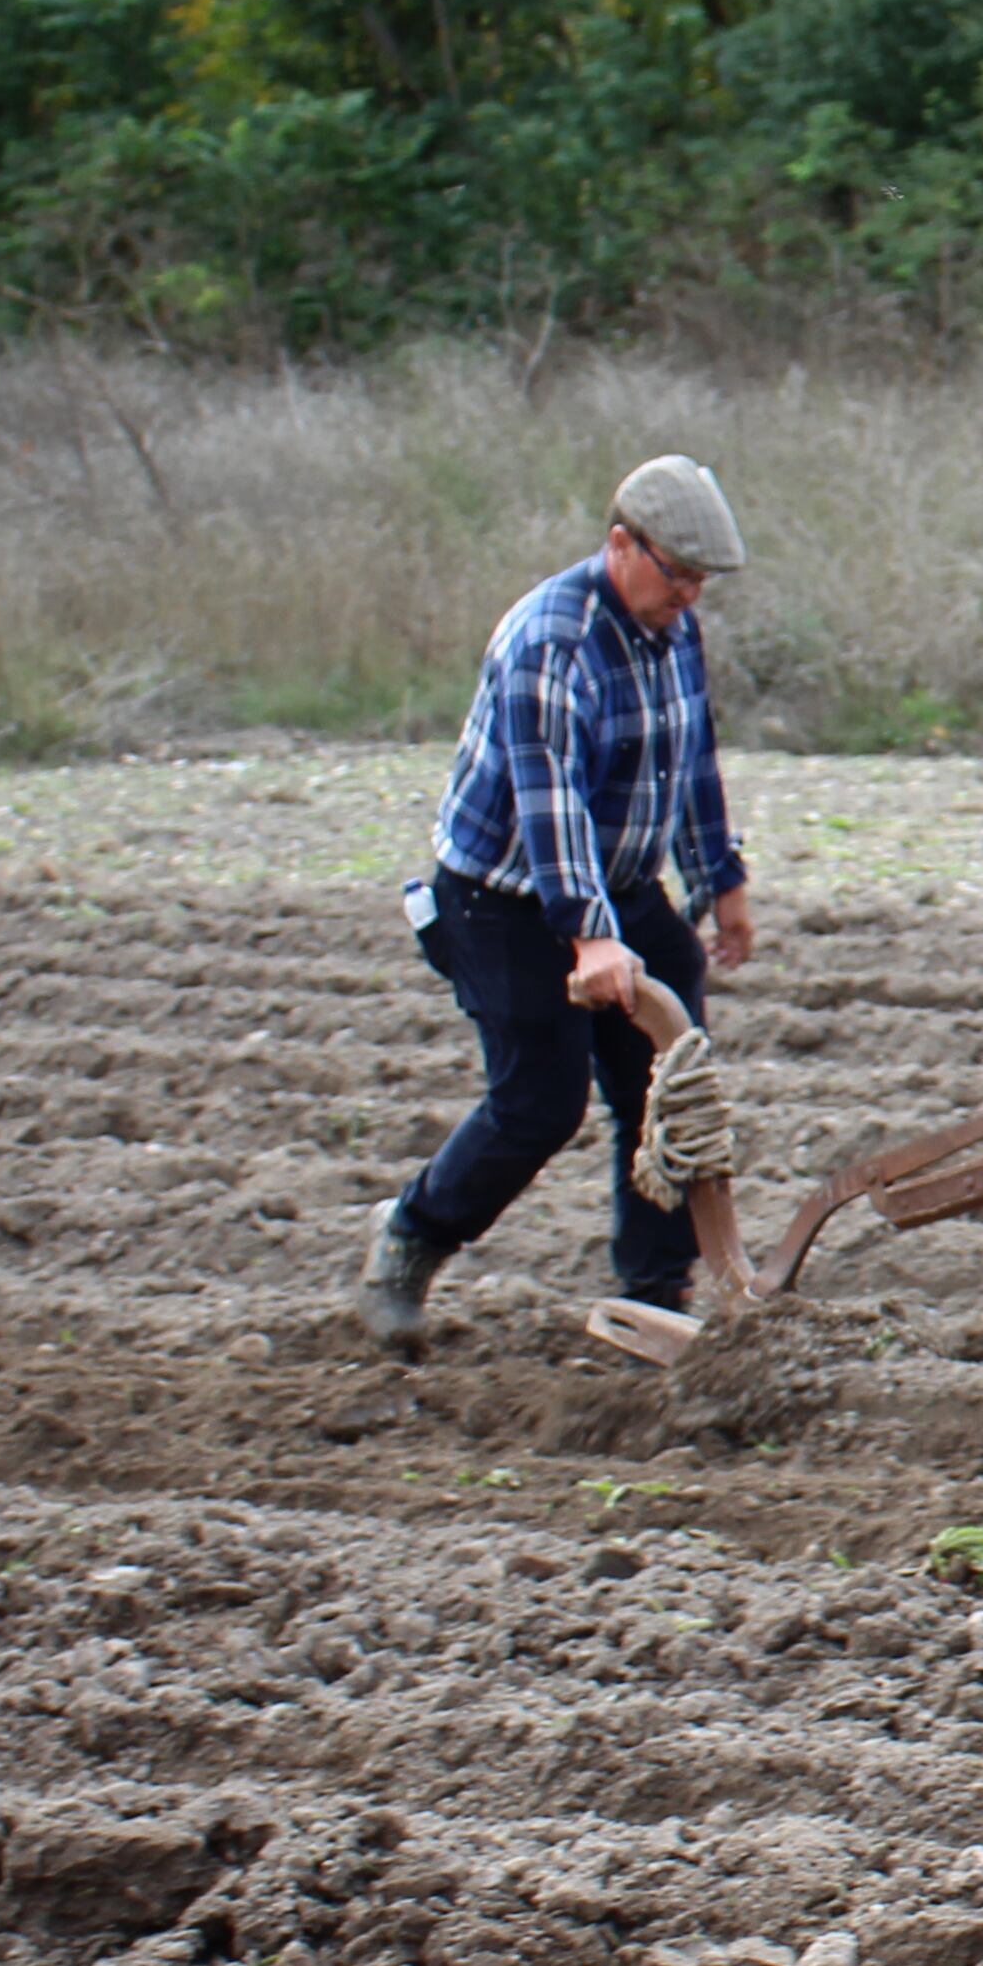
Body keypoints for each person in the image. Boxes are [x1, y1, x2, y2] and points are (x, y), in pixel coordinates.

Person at [358, 456, 765, 1346]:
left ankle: (656, 1299)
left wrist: (720, 877)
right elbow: (552, 800)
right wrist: (590, 935)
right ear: (621, 544)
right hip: (501, 899)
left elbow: (690, 757)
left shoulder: (674, 630)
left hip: (618, 885)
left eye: (702, 580)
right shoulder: (551, 641)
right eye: (677, 573)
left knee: (665, 1088)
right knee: (539, 1104)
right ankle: (410, 1239)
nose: (690, 594)